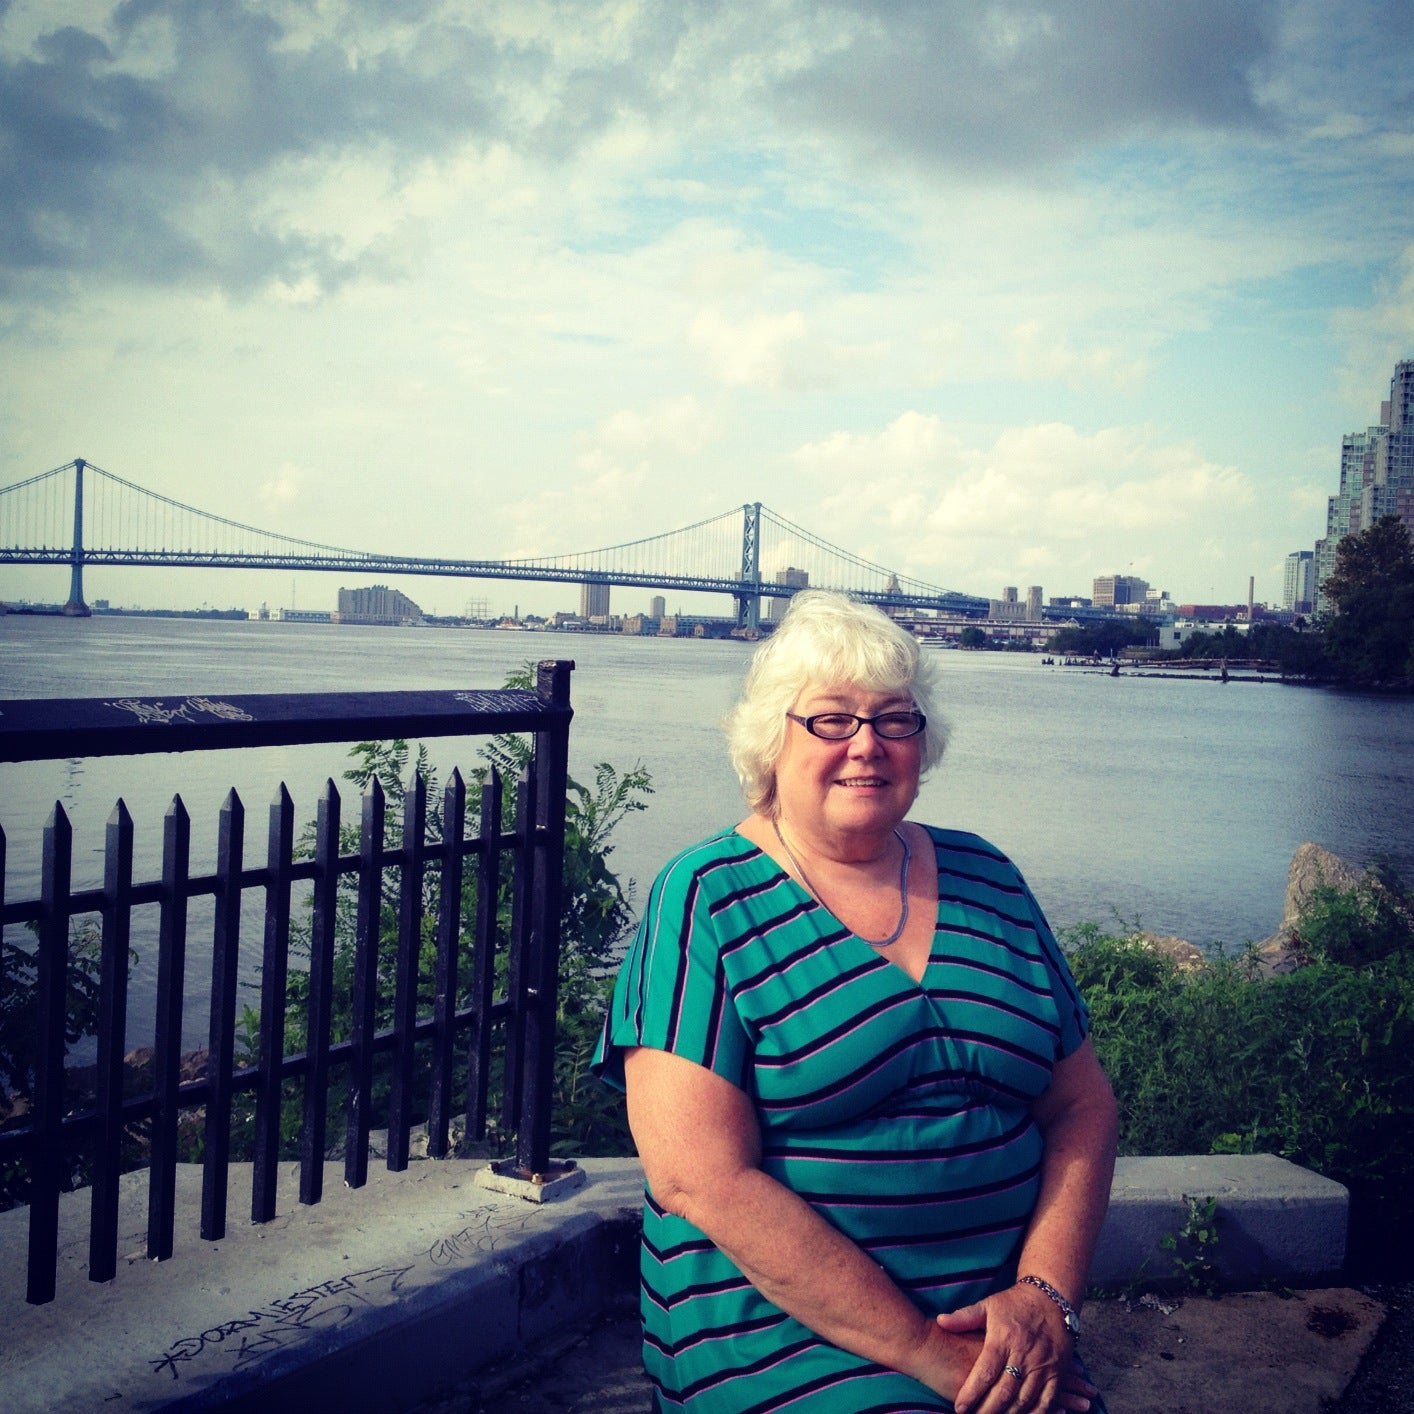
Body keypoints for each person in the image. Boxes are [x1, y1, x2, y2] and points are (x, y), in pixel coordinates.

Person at [593, 590, 1118, 1414]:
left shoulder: (989, 877)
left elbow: (1081, 1104)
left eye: (893, 720)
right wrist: (931, 1360)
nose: (867, 746)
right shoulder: (706, 898)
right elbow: (700, 1178)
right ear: (772, 739)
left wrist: (1044, 1298)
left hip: (997, 1326)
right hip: (782, 1331)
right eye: (831, 720)